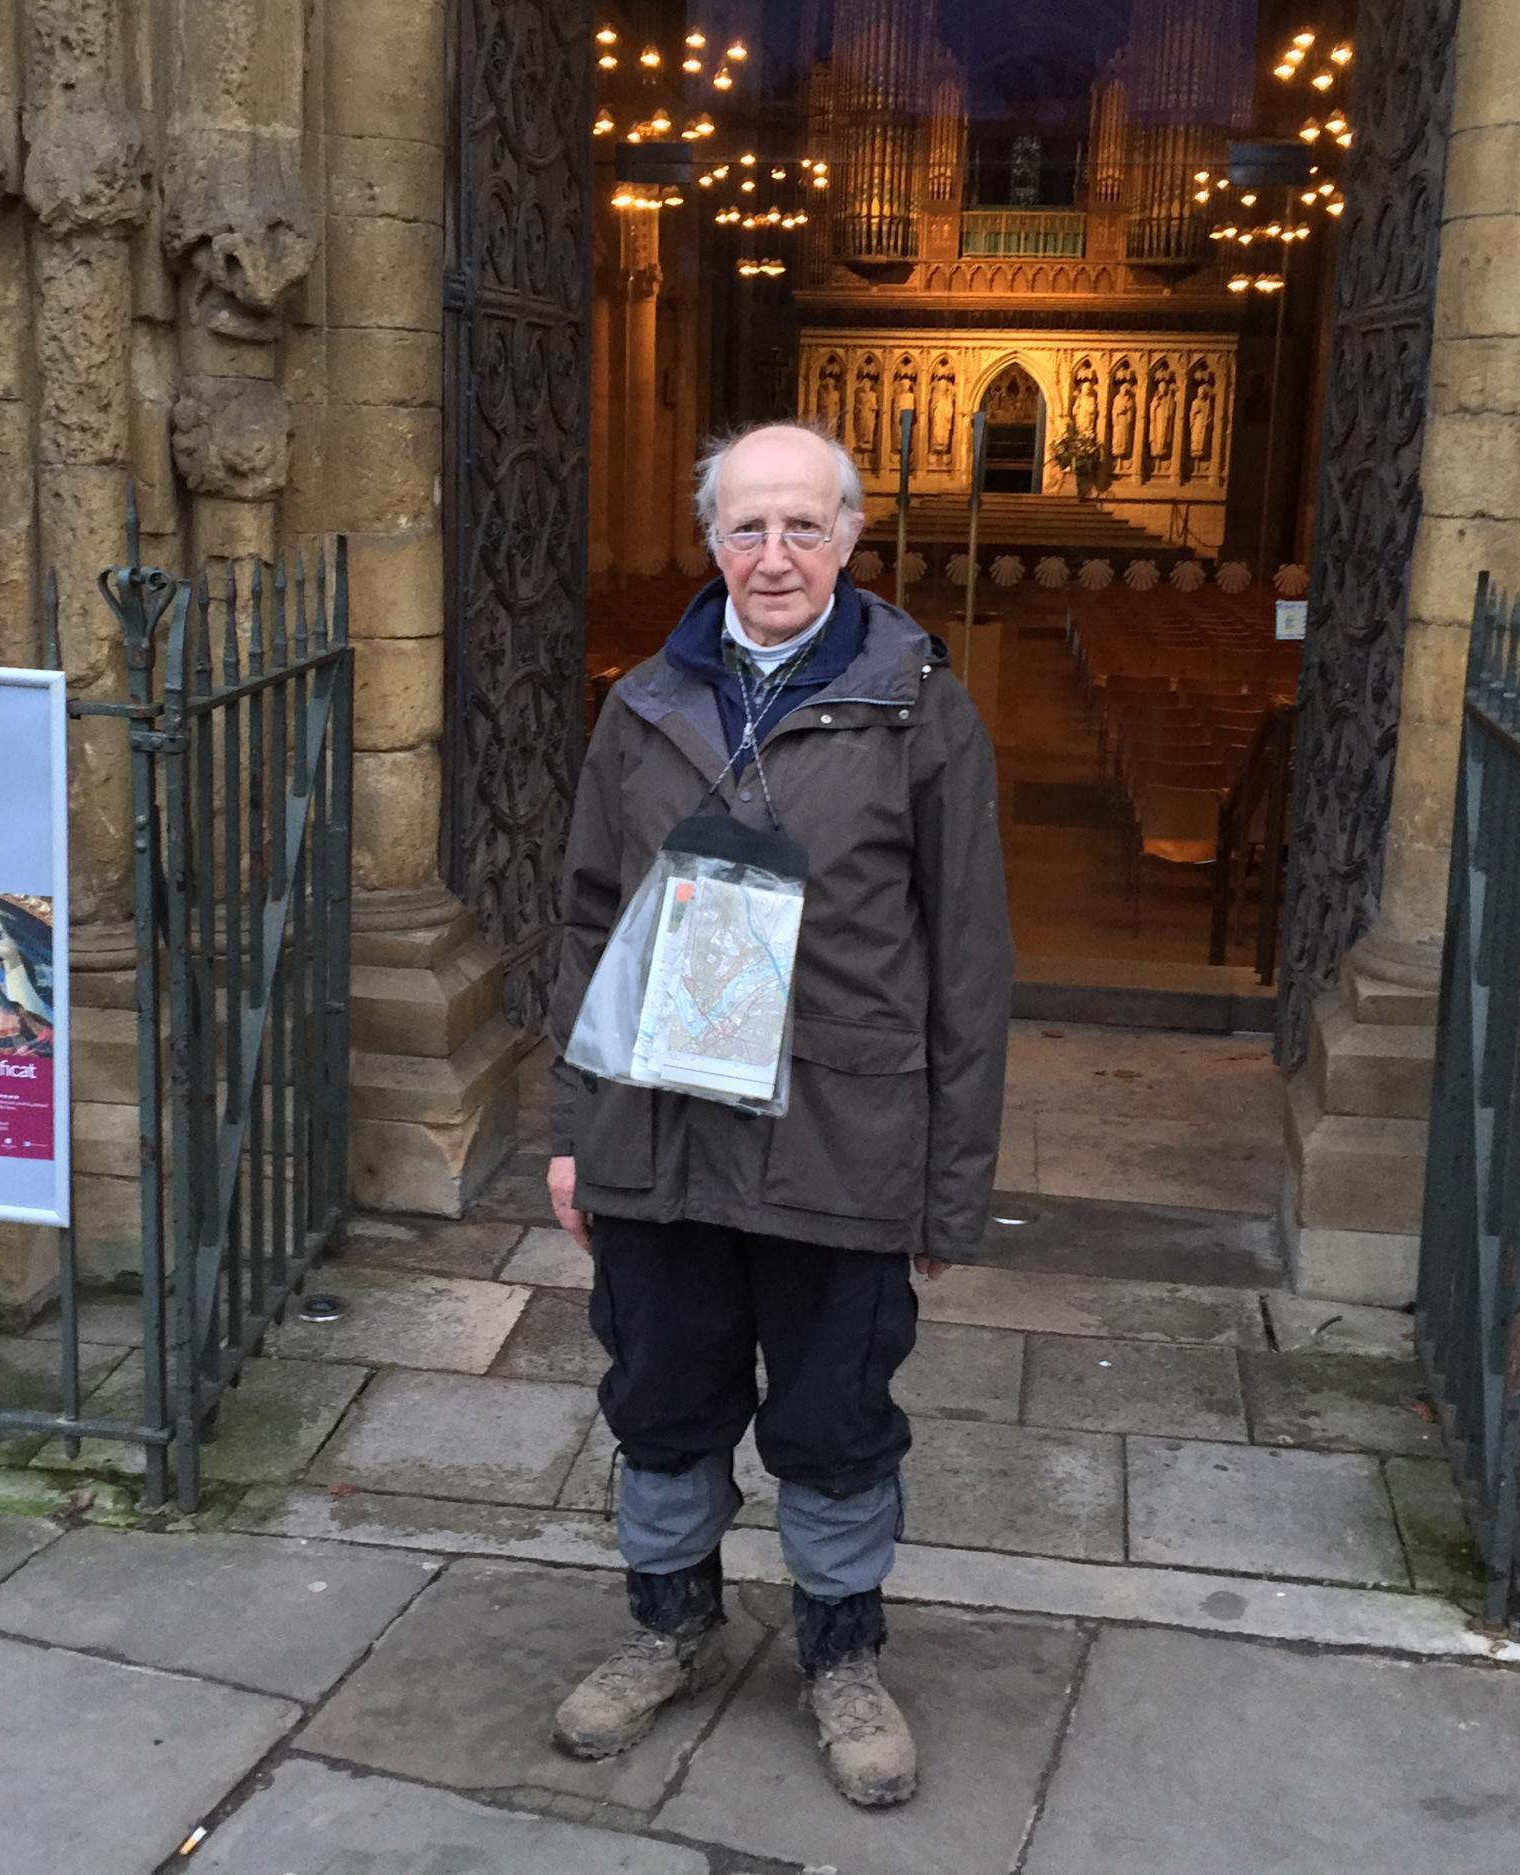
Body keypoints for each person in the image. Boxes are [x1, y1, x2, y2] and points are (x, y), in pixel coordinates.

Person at [544, 422, 1014, 1807]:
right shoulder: (642, 707)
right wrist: (573, 1130)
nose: (774, 556)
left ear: (853, 536)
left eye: (803, 527)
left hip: (843, 1139)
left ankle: (840, 1652)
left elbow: (971, 959)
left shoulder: (920, 705)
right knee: (662, 1396)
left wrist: (952, 1187)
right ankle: (667, 1626)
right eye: (747, 528)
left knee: (832, 1413)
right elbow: (585, 926)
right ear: (712, 542)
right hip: (659, 1136)